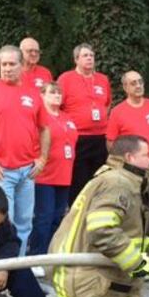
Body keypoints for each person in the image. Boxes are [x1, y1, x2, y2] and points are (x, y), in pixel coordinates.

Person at [49, 135, 149, 297]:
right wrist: (137, 264)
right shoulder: (117, 183)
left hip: (93, 279)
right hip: (90, 284)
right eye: (145, 155)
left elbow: (122, 229)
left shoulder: (120, 179)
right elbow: (101, 230)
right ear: (129, 157)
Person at [0, 45, 50, 256]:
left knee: (25, 223)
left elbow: (45, 128)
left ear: (21, 65)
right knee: (2, 222)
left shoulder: (33, 94)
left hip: (27, 170)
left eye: (11, 64)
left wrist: (42, 158)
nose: (6, 68)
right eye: (3, 64)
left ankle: (19, 269)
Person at [106, 70, 149, 240]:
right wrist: (119, 164)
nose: (138, 86)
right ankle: (133, 246)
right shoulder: (118, 111)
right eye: (133, 83)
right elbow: (111, 142)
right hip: (129, 169)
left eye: (140, 82)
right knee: (132, 206)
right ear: (125, 87)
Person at [57, 43, 112, 204]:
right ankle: (76, 213)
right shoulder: (66, 79)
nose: (89, 58)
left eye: (91, 55)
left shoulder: (102, 79)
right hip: (78, 137)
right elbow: (57, 106)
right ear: (76, 59)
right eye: (85, 55)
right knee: (78, 181)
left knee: (97, 179)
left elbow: (107, 103)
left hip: (100, 137)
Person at [29, 82, 78, 255]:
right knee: (44, 217)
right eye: (52, 92)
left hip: (64, 174)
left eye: (59, 92)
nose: (57, 95)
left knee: (58, 217)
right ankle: (36, 255)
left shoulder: (67, 117)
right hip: (45, 176)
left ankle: (51, 254)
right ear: (41, 96)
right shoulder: (38, 118)